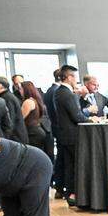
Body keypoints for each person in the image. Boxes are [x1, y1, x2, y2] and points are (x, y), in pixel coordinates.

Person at [53, 66, 96, 207]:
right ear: (69, 77)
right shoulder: (67, 94)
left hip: (65, 136)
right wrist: (91, 119)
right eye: (75, 77)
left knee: (69, 166)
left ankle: (71, 194)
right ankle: (76, 194)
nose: (76, 81)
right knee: (75, 166)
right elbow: (77, 116)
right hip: (73, 136)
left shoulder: (59, 92)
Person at [19, 80, 54, 159]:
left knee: (33, 157)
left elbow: (20, 118)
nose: (19, 91)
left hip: (32, 133)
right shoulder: (35, 100)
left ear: (26, 90)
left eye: (21, 89)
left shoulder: (28, 102)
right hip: (37, 131)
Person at [45, 68, 64, 198]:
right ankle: (59, 186)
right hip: (60, 129)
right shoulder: (57, 92)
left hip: (54, 129)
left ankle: (58, 186)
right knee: (62, 160)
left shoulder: (49, 91)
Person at [0, 76, 26, 143]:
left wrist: (5, 138)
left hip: (15, 137)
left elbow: (10, 120)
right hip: (15, 136)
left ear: (0, 85)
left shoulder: (7, 98)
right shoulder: (7, 96)